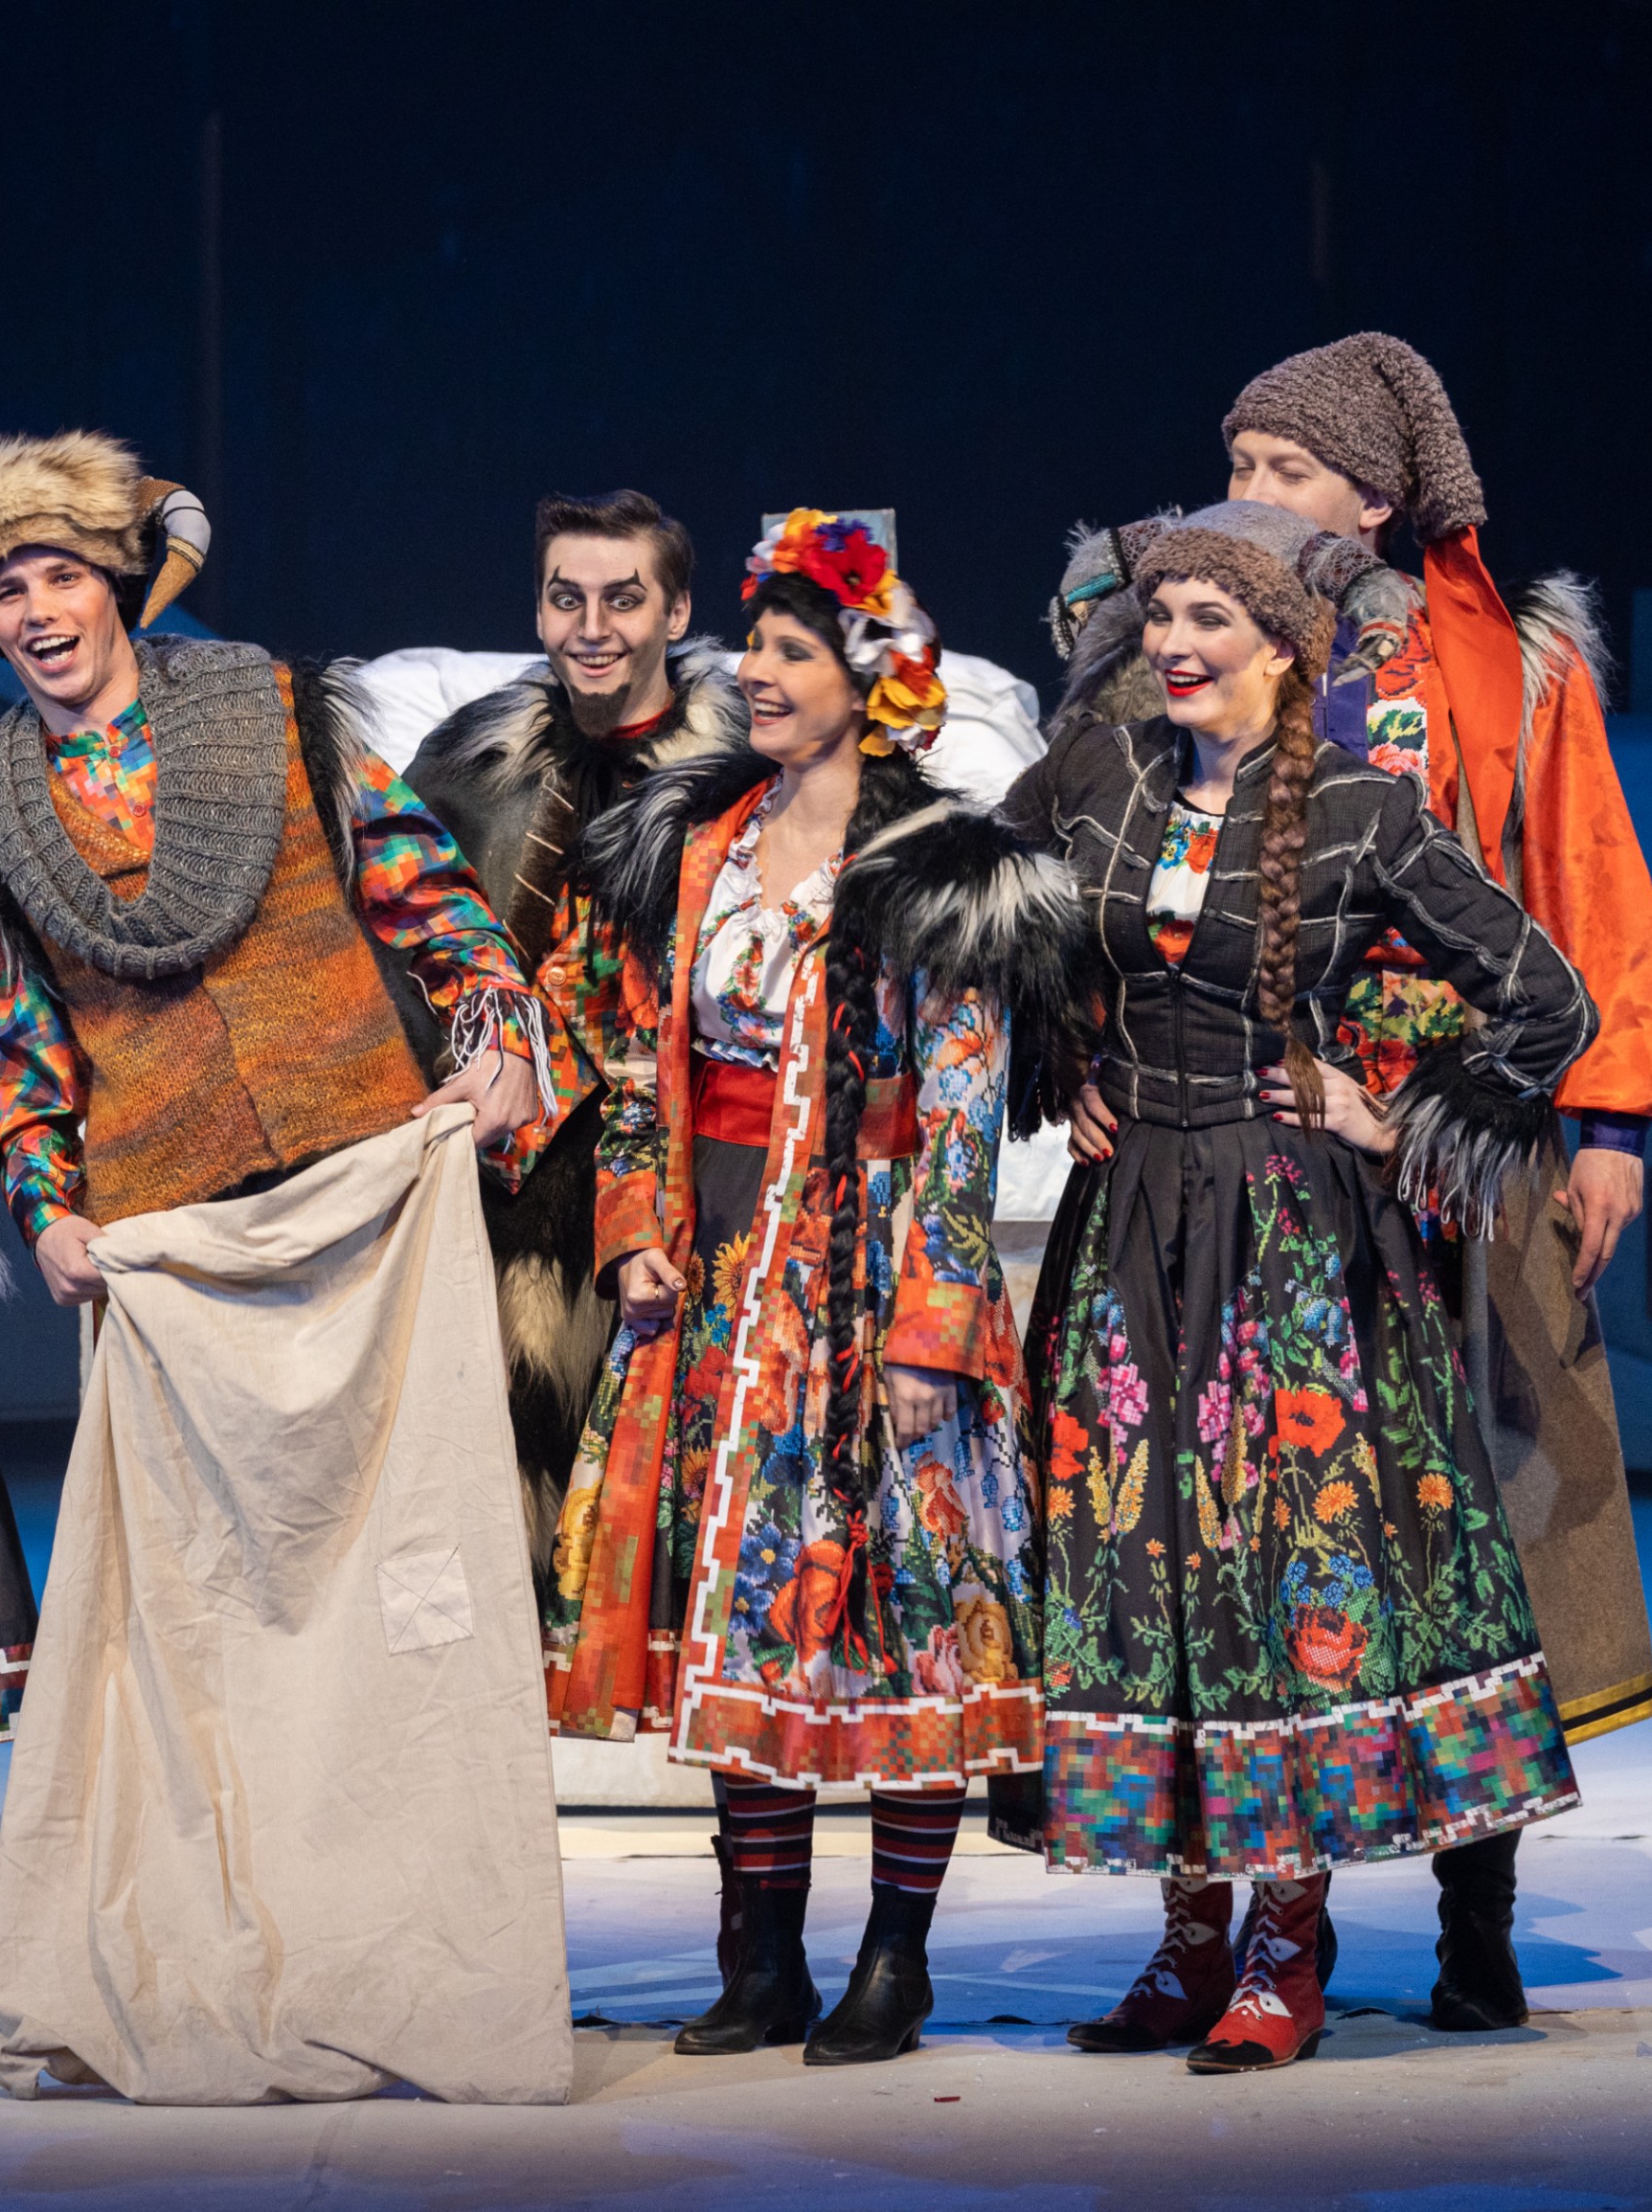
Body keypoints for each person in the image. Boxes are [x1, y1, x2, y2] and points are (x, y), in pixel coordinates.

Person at [0, 430, 571, 2106]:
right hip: (177, 1245)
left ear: (115, 580)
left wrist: (496, 1019)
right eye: (4, 589)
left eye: (58, 571)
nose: (37, 608)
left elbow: (417, 884)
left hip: (360, 1183)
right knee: (203, 1621)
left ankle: (402, 1942)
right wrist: (45, 1204)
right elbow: (23, 1051)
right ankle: (215, 1930)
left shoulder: (271, 709)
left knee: (406, 1587)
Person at [1047, 332, 1652, 2030]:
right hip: (1220, 1137)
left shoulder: (1492, 662)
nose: (1247, 493)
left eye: (1287, 471)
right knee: (1208, 1513)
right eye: (1238, 463)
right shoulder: (1172, 635)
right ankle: (1233, 1906)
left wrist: (1610, 1121)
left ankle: (1476, 1911)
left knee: (1476, 1505)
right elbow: (1087, 876)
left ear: (1375, 500)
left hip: (1441, 1124)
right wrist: (1082, 1060)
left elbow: (1579, 877)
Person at [550, 512, 1078, 2064]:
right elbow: (631, 1061)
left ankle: (894, 1960)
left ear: (870, 679)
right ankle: (760, 1956)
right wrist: (631, 1227)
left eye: (794, 651)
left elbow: (962, 1112)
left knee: (905, 1605)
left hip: (873, 1275)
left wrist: (933, 1326)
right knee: (739, 1608)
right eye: (756, 649)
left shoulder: (939, 869)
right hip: (720, 1275)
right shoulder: (692, 844)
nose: (758, 675)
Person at [399, 490, 749, 1568]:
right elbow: (394, 934)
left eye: (622, 600)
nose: (592, 628)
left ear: (675, 612)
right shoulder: (470, 764)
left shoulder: (747, 765)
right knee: (501, 1450)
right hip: (512, 1160)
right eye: (567, 599)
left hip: (683, 1153)